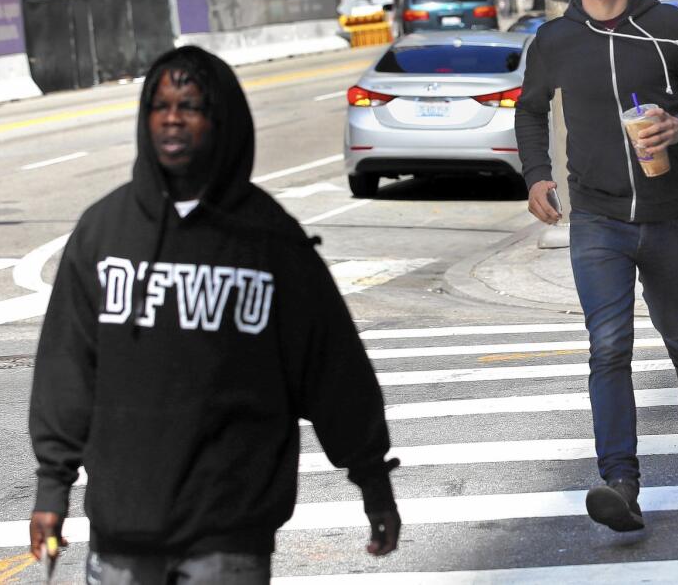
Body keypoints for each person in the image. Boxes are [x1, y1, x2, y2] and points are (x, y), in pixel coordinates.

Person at [28, 47, 400, 583]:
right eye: (160, 105)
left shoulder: (269, 240)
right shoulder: (103, 234)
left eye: (191, 105)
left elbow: (333, 370)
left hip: (230, 533)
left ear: (220, 120)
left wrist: (372, 480)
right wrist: (50, 491)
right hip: (123, 531)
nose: (173, 117)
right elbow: (66, 371)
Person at [514, 0, 678, 532]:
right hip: (598, 219)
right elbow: (529, 111)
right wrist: (535, 174)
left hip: (666, 216)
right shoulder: (554, 39)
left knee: (675, 321)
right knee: (608, 347)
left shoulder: (666, 26)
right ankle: (621, 483)